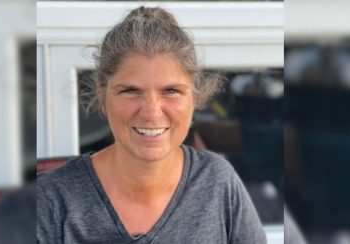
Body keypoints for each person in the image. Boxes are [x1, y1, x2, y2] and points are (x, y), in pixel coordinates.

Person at [37, 6, 266, 243]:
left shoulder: (218, 183)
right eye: (130, 91)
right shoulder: (51, 200)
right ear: (102, 96)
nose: (151, 112)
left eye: (170, 91)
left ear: (194, 97)